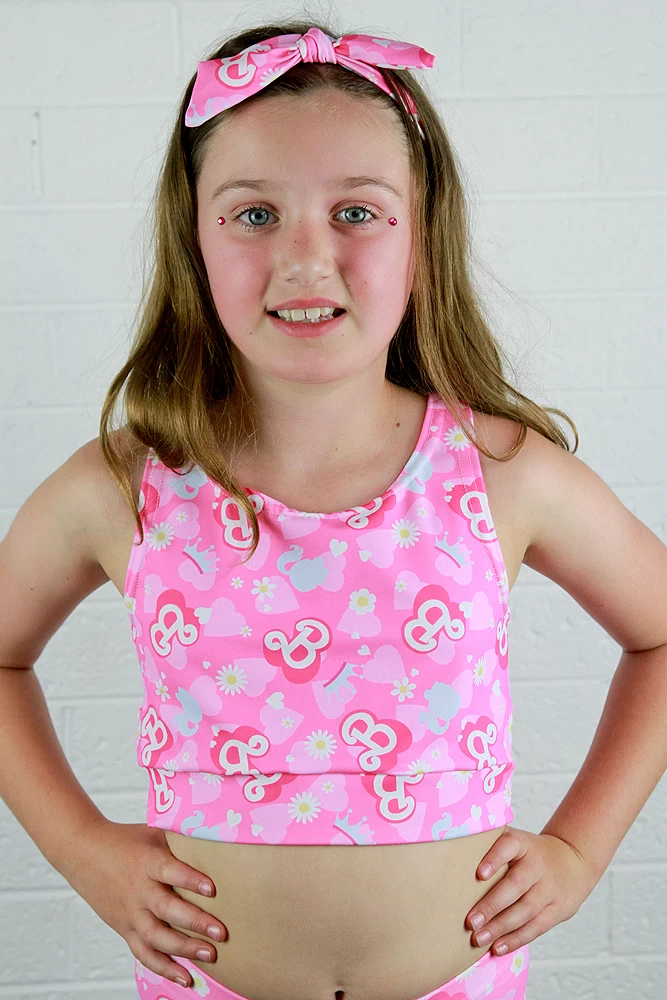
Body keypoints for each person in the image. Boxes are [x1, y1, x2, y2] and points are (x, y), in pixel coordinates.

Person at [2, 15, 667, 1000]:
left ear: (420, 235)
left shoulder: (501, 473)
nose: (306, 259)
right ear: (193, 236)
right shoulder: (123, 485)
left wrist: (579, 847)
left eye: (356, 211)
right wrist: (79, 847)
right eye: (254, 214)